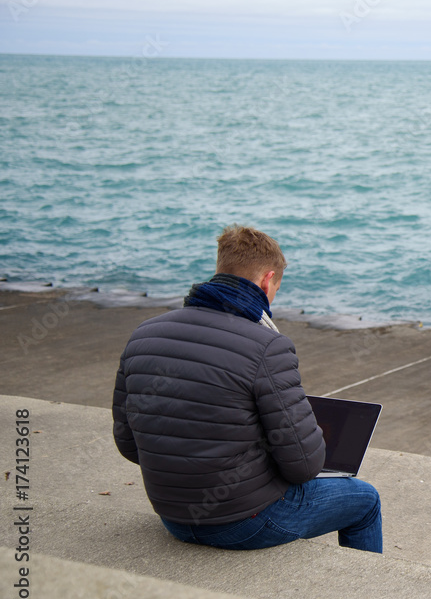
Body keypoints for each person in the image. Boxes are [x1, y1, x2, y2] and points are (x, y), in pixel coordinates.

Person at [112, 225, 382, 552]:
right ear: (267, 280)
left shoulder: (144, 334)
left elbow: (128, 444)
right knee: (365, 500)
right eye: (275, 289)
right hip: (243, 523)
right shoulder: (268, 346)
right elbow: (305, 466)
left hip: (172, 515)